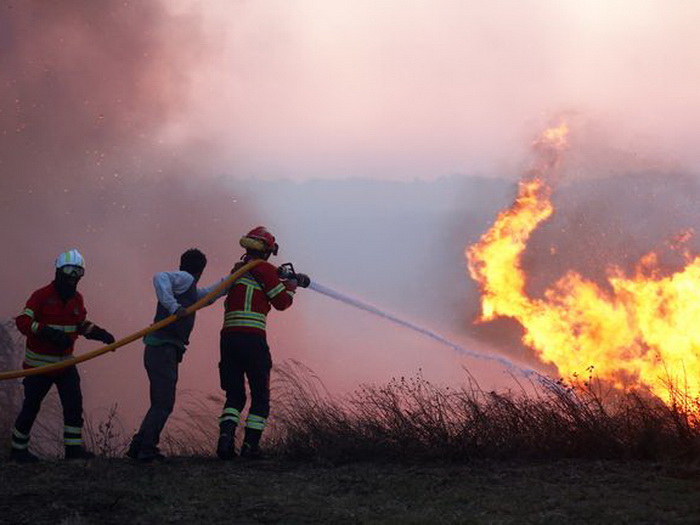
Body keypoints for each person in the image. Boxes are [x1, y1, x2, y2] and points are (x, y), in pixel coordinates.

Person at [10, 249, 115, 462]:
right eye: (69, 270)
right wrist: (46, 332)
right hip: (39, 367)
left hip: (66, 364)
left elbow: (80, 324)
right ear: (59, 270)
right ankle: (18, 451)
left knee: (74, 405)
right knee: (31, 407)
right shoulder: (41, 296)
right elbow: (22, 321)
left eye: (78, 272)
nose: (73, 276)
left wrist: (99, 333)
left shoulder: (77, 299)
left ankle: (73, 451)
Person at [127, 248, 229, 462]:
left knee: (159, 402)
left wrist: (232, 278)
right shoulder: (184, 279)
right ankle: (147, 449)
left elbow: (210, 295)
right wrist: (174, 307)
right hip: (162, 349)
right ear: (201, 270)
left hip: (162, 349)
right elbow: (160, 277)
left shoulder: (189, 289)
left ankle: (138, 445)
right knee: (164, 402)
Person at [217, 226, 298, 460]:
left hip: (228, 340)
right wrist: (291, 288)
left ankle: (225, 440)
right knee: (260, 395)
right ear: (267, 251)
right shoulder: (264, 269)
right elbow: (281, 303)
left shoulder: (237, 270)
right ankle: (250, 447)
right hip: (252, 340)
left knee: (234, 396)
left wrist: (281, 278)